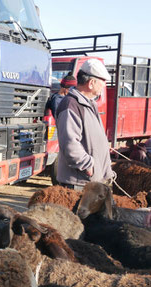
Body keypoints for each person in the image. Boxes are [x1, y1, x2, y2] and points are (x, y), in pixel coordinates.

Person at [55, 59, 114, 190]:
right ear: (91, 83)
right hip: (79, 185)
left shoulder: (89, 104)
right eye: (103, 81)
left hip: (90, 183)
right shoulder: (71, 104)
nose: (104, 85)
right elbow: (70, 144)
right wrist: (89, 167)